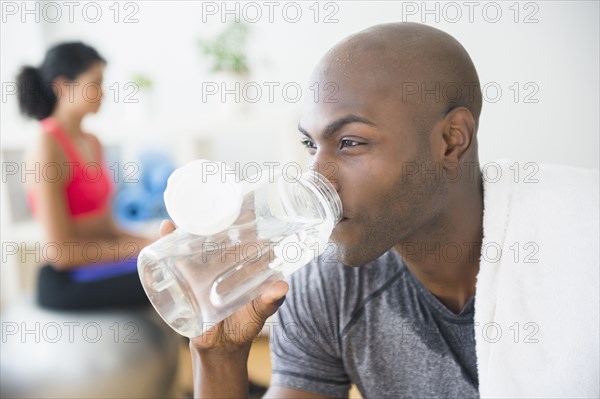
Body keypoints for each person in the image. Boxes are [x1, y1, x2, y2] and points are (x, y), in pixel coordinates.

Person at [160, 22, 598, 398]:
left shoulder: (580, 246)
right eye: (311, 146)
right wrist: (218, 356)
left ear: (452, 140)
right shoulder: (329, 287)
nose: (317, 177)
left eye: (350, 142)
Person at [17, 42, 154, 310]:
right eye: (95, 83)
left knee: (177, 260)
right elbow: (61, 254)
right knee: (170, 276)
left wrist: (152, 242)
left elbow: (106, 226)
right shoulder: (46, 146)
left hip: (99, 262)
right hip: (66, 280)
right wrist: (140, 250)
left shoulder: (92, 142)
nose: (103, 94)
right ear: (62, 86)